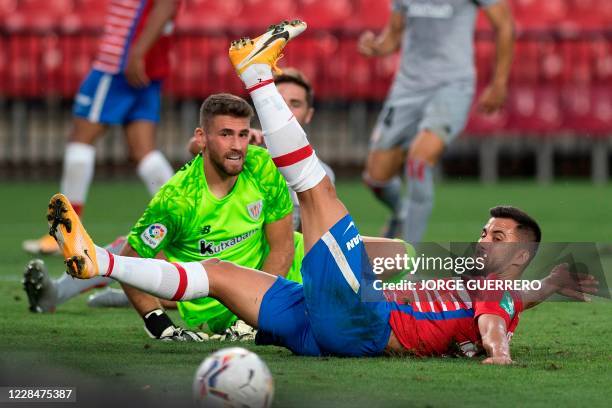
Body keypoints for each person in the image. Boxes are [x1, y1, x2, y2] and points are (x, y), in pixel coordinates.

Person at [46, 21, 596, 362]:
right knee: (217, 276)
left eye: (496, 237)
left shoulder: (491, 293)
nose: (481, 240)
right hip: (324, 323)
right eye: (484, 230)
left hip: (364, 319)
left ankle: (256, 75)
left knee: (317, 191)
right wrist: (550, 281)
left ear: (516, 254)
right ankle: (100, 262)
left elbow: (497, 319)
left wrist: (499, 355)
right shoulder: (486, 283)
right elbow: (513, 298)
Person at [22, 69, 335, 319]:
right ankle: (61, 293)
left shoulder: (317, 174)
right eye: (279, 103)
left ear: (308, 115)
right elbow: (198, 148)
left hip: (272, 266)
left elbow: (308, 245)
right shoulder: (243, 147)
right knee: (140, 243)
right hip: (217, 248)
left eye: (296, 104)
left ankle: (142, 294)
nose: (287, 111)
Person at [22, 0, 181, 255]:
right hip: (142, 62)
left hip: (119, 64)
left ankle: (65, 233)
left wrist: (138, 52)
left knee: (81, 139)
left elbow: (166, 4)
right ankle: (185, 221)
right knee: (143, 151)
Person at [358, 0, 515, 243]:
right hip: (407, 88)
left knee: (418, 161)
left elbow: (504, 24)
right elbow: (394, 34)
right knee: (375, 177)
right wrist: (376, 47)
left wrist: (499, 82)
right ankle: (402, 213)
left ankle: (409, 261)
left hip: (452, 86)